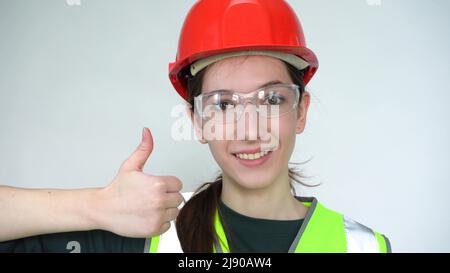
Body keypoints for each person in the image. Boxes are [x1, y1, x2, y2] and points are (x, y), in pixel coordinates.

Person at [0, 0, 391, 253]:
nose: (249, 130)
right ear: (197, 122)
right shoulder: (145, 231)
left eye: (272, 99)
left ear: (301, 111)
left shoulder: (364, 247)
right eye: (222, 105)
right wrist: (95, 206)